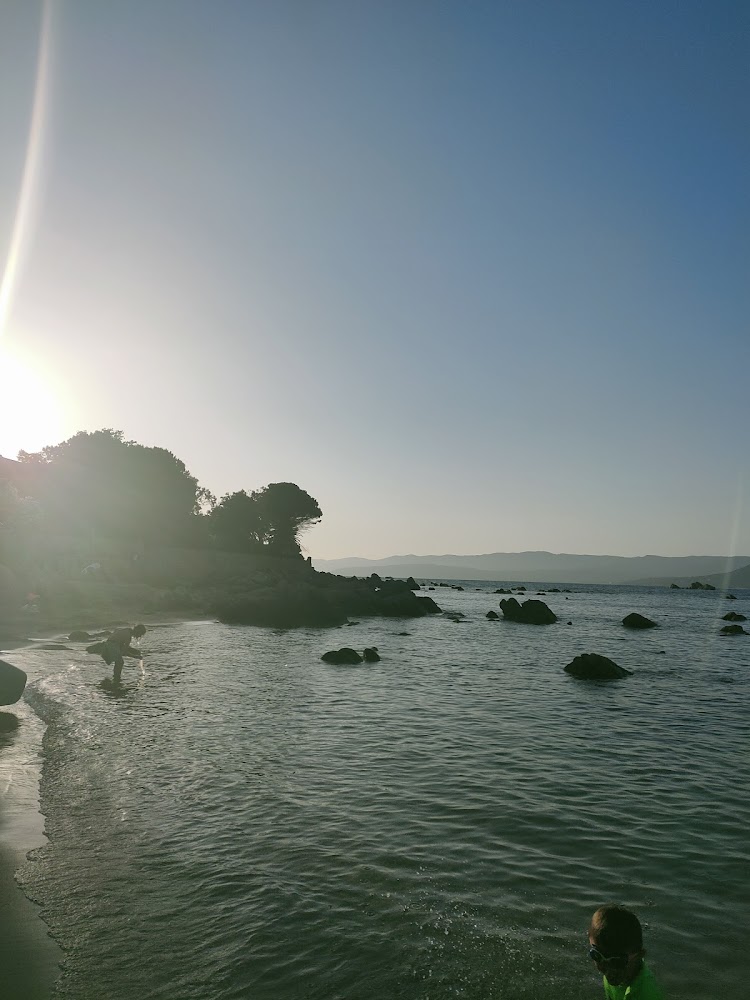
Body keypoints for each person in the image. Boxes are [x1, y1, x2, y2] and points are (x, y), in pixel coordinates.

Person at [588, 904, 665, 999]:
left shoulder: (647, 995)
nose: (606, 967)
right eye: (596, 955)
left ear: (640, 955)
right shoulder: (614, 971)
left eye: (616, 961)